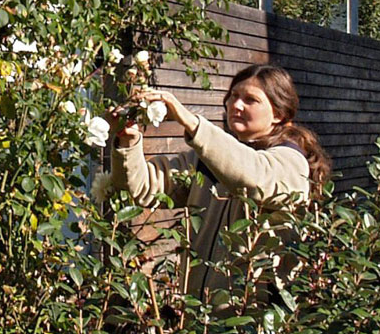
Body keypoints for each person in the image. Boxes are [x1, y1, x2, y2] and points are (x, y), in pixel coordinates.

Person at [110, 64, 331, 307]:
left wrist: (193, 123)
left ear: (278, 114)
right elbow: (143, 188)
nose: (236, 105)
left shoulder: (291, 161)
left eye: (250, 100)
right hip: (199, 312)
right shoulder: (208, 157)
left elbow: (252, 177)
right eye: (233, 96)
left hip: (252, 317)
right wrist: (127, 143)